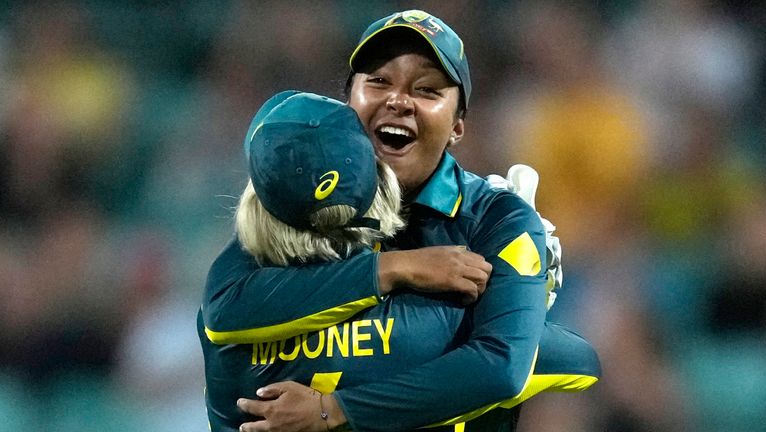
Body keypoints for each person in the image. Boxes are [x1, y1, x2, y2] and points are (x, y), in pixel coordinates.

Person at [200, 10, 600, 432]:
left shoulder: (495, 218)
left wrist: (334, 410)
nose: (398, 100)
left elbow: (502, 367)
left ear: (458, 126)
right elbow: (225, 307)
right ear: (347, 104)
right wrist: (396, 269)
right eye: (379, 81)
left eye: (426, 89)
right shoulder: (298, 200)